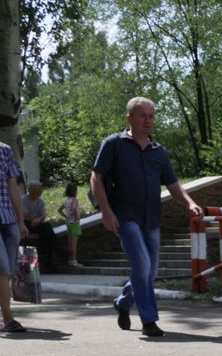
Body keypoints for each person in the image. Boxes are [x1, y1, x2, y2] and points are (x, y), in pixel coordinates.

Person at [91, 97, 204, 338]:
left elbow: (174, 186)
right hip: (124, 216)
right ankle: (149, 320)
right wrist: (106, 211)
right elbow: (96, 178)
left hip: (151, 217)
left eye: (151, 116)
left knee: (149, 272)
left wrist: (191, 203)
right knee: (141, 266)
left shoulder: (158, 151)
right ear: (129, 117)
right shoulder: (114, 144)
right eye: (143, 115)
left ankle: (123, 301)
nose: (148, 120)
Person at [0, 140, 29, 333]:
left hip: (8, 218)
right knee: (2, 269)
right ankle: (8, 319)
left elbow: (13, 188)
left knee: (8, 271)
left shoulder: (5, 150)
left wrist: (20, 221)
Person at [20, 181, 55, 272]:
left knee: (47, 228)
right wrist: (34, 219)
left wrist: (38, 220)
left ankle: (49, 254)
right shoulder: (23, 199)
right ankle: (50, 252)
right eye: (39, 188)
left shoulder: (40, 201)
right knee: (46, 228)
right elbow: (24, 214)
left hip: (36, 223)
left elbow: (43, 215)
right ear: (32, 190)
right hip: (26, 223)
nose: (41, 190)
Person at [57, 180, 81, 268]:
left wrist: (66, 216)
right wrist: (77, 216)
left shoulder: (66, 201)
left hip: (68, 222)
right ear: (75, 191)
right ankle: (74, 260)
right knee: (74, 243)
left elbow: (59, 210)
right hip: (74, 223)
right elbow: (74, 208)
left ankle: (70, 260)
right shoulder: (75, 200)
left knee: (69, 242)